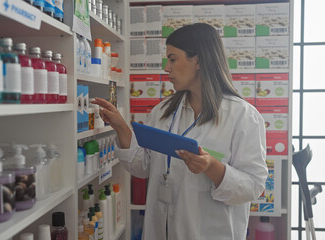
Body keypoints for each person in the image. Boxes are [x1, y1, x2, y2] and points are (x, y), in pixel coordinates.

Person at [91, 23, 268, 240]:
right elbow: (144, 165)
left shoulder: (243, 116)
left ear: (199, 60)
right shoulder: (163, 111)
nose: (167, 68)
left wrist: (212, 167)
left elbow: (254, 186)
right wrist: (120, 126)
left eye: (173, 59)